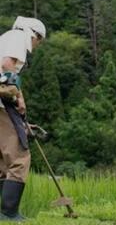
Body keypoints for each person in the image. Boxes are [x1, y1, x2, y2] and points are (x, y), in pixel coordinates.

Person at [0, 16, 46, 221]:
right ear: (34, 34)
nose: (36, 46)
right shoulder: (18, 37)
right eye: (39, 41)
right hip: (2, 105)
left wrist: (20, 106)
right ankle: (9, 212)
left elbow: (9, 78)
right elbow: (7, 64)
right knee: (19, 157)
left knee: (2, 159)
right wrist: (19, 98)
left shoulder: (5, 38)